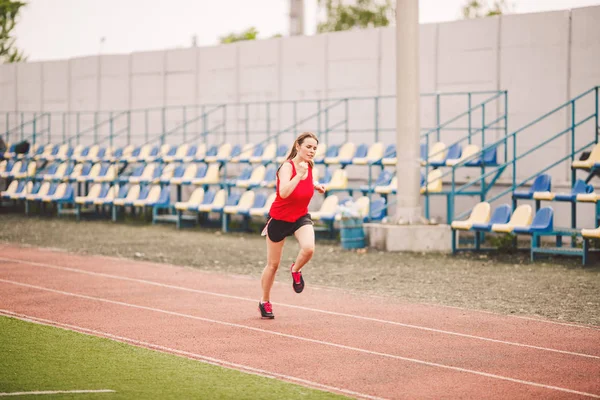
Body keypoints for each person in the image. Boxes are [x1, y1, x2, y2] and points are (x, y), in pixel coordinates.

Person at [259, 132, 326, 319]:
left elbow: (307, 182)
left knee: (309, 248)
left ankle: (295, 270)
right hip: (279, 219)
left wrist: (316, 185)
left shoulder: (309, 166)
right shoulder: (287, 167)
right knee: (272, 265)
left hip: (300, 217)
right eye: (308, 147)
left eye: (314, 148)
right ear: (298, 146)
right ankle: (264, 301)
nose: (312, 151)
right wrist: (300, 175)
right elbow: (285, 192)